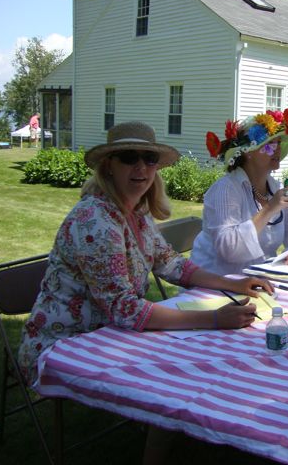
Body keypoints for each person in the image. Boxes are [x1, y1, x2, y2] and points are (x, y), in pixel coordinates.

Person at [18, 121, 273, 386]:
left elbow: (172, 264)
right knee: (181, 377)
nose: (141, 167)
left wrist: (235, 284)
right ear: (109, 166)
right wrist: (214, 318)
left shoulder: (137, 212)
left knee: (195, 366)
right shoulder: (94, 220)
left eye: (149, 159)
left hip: (112, 333)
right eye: (129, 158)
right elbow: (124, 308)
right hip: (66, 344)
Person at [191, 108, 288, 275]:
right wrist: (269, 209)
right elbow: (229, 249)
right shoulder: (226, 188)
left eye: (279, 143)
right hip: (217, 282)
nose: (277, 149)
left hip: (258, 280)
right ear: (248, 152)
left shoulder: (275, 187)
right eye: (270, 143)